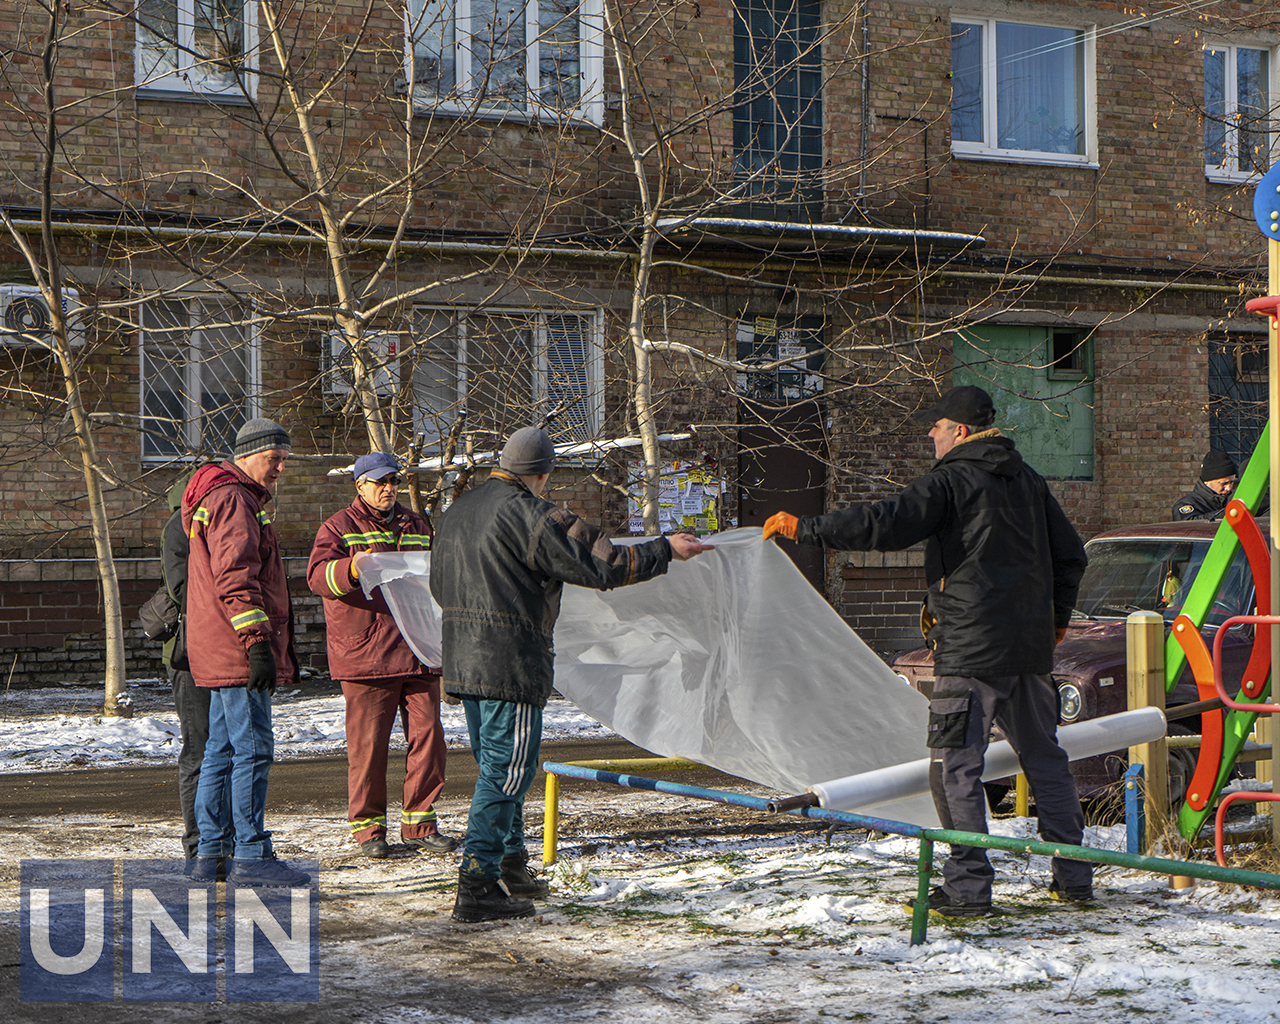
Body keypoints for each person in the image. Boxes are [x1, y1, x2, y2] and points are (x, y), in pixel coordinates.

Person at [763, 384, 1092, 916]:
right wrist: (1054, 624)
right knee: (1046, 760)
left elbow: (889, 522)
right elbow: (1071, 557)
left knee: (953, 770)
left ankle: (968, 889)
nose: (930, 435)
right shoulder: (1029, 481)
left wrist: (810, 529)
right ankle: (1074, 880)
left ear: (958, 430)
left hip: (969, 652)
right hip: (1028, 653)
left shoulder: (951, 480)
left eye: (935, 427)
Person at [430, 426, 713, 923]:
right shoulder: (531, 514)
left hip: (463, 662)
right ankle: (476, 888)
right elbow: (603, 564)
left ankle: (511, 866)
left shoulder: (458, 512)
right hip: (509, 662)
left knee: (502, 768)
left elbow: (438, 584)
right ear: (543, 473)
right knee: (506, 771)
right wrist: (666, 549)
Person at [307, 451, 457, 860]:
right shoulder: (338, 527)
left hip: (417, 649)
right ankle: (369, 829)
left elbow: (436, 577)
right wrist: (353, 568)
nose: (388, 488)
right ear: (360, 486)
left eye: (392, 480)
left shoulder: (416, 524)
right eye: (379, 482)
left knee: (429, 739)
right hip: (367, 654)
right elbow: (318, 578)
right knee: (368, 747)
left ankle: (419, 824)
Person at [183, 418, 309, 887]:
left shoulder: (218, 494)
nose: (279, 467)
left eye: (284, 459)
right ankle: (253, 856)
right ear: (247, 455)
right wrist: (257, 645)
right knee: (252, 748)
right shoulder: (235, 498)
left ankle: (212, 853)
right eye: (272, 458)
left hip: (216, 645)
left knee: (220, 749)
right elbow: (236, 578)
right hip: (236, 648)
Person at [159, 466, 218, 868]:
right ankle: (197, 847)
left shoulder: (221, 520)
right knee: (198, 749)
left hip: (221, 649)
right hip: (190, 655)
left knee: (225, 751)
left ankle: (219, 843)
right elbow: (182, 590)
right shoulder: (179, 527)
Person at [1173, 450, 1237, 521]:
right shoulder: (1185, 504)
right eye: (1223, 483)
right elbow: (1190, 525)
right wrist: (1229, 512)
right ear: (1207, 481)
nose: (1228, 488)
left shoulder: (1234, 499)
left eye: (1232, 482)